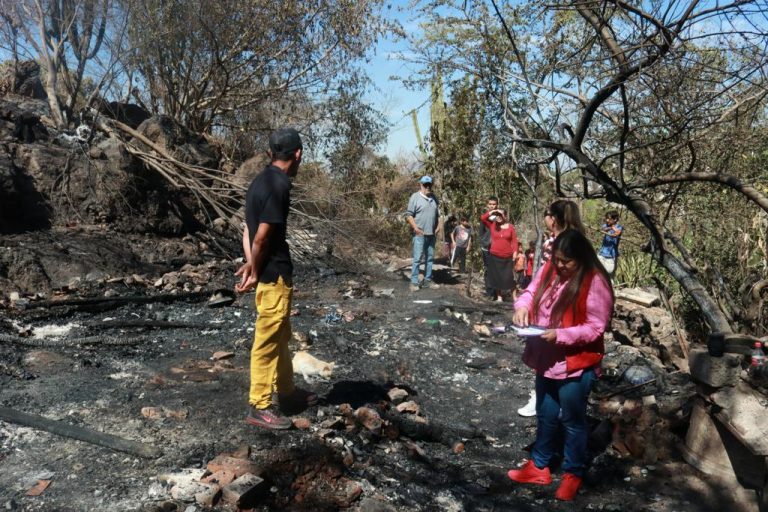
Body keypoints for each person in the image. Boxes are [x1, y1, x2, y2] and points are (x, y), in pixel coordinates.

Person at [509, 229, 614, 501]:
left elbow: (595, 328)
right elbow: (530, 293)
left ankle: (573, 472)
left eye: (566, 262)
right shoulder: (550, 270)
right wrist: (522, 306)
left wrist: (561, 335)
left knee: (572, 421)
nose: (560, 266)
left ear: (581, 258)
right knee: (545, 413)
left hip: (575, 364)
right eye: (557, 260)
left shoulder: (595, 282)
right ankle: (539, 465)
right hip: (547, 358)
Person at [235, 128, 316, 430]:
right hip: (274, 277)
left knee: (281, 336)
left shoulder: (259, 181)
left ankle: (288, 394)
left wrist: (249, 264)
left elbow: (247, 229)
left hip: (267, 273)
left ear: (271, 153)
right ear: (297, 155)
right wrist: (255, 270)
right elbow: (261, 237)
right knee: (267, 340)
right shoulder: (280, 185)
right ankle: (260, 404)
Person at [518, 200, 585, 417]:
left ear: (553, 218)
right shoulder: (581, 242)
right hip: (567, 321)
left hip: (557, 319)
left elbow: (543, 280)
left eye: (547, 214)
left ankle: (546, 402)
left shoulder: (555, 245)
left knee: (551, 366)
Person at [406, 176, 440, 291]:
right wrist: (415, 228)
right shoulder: (415, 197)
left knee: (430, 259)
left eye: (429, 184)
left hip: (431, 234)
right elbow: (409, 215)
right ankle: (414, 282)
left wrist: (438, 226)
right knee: (417, 259)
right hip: (419, 234)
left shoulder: (434, 198)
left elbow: (438, 215)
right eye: (425, 185)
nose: (428, 187)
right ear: (421, 185)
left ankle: (427, 280)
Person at [480, 208, 518, 301]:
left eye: (500, 215)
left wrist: (515, 253)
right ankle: (499, 296)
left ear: (505, 216)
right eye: (497, 215)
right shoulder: (492, 225)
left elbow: (514, 241)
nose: (498, 217)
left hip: (508, 257)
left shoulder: (510, 227)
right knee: (497, 277)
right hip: (495, 256)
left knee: (510, 278)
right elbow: (483, 218)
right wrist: (492, 211)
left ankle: (514, 297)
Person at [478, 196, 499, 297]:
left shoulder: (500, 217)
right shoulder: (485, 217)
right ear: (487, 205)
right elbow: (481, 232)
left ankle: (496, 292)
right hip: (486, 247)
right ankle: (489, 292)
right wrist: (482, 243)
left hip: (497, 248)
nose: (492, 206)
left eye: (494, 204)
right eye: (490, 204)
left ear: (497, 205)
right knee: (488, 269)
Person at [598, 210, 623, 277]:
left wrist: (613, 228)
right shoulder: (606, 225)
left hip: (612, 254)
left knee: (609, 271)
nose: (607, 220)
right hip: (602, 252)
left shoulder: (619, 227)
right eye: (606, 218)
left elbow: (617, 233)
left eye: (609, 218)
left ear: (615, 219)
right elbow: (603, 229)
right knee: (598, 269)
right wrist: (610, 228)